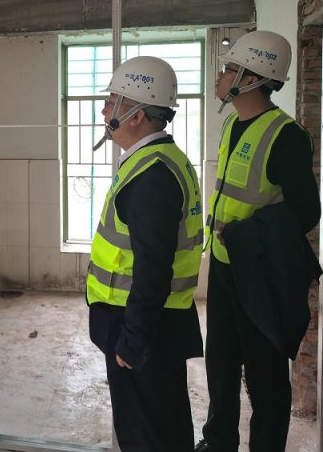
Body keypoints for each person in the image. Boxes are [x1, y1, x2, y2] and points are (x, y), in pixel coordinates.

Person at [195, 31, 321, 452]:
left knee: (265, 373)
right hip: (224, 265)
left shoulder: (286, 135)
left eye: (229, 69)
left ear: (251, 79)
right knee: (221, 361)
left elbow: (307, 213)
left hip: (260, 273)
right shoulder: (232, 124)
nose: (221, 75)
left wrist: (246, 235)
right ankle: (218, 442)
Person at [87, 56, 205, 452]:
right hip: (154, 322)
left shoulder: (152, 175)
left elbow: (153, 270)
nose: (104, 111)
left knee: (145, 435)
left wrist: (133, 341)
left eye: (112, 102)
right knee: (164, 425)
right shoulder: (158, 160)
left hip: (141, 326)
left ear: (136, 115)